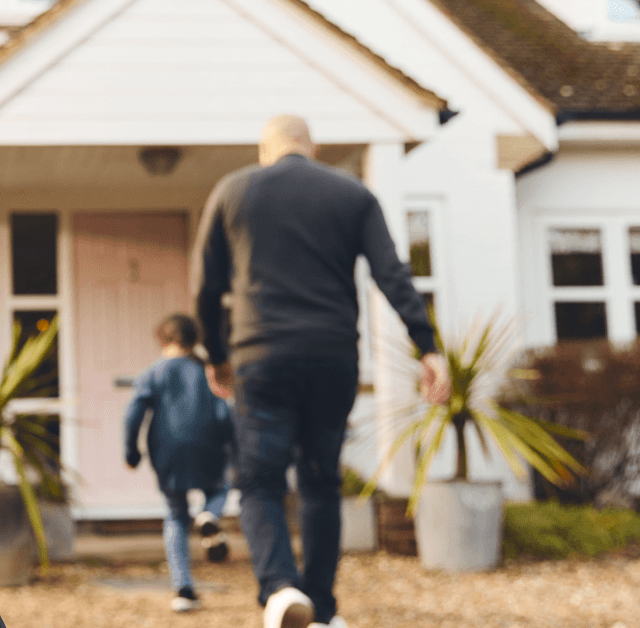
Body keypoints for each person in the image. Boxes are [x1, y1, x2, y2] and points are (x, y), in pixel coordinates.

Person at [193, 115, 451, 628]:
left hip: (260, 357)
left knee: (261, 481)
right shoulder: (352, 194)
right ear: (312, 148)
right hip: (332, 358)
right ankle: (322, 610)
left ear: (264, 150)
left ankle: (280, 589)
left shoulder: (234, 190)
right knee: (320, 481)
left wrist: (216, 355)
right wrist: (427, 345)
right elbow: (391, 273)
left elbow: (206, 286)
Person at [123, 313, 235, 613]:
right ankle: (209, 515)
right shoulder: (207, 371)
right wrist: (233, 445)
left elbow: (133, 414)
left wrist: (131, 452)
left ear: (162, 340)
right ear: (194, 339)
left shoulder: (153, 373)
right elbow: (224, 412)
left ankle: (184, 589)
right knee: (220, 487)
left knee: (175, 515)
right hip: (209, 447)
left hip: (167, 452)